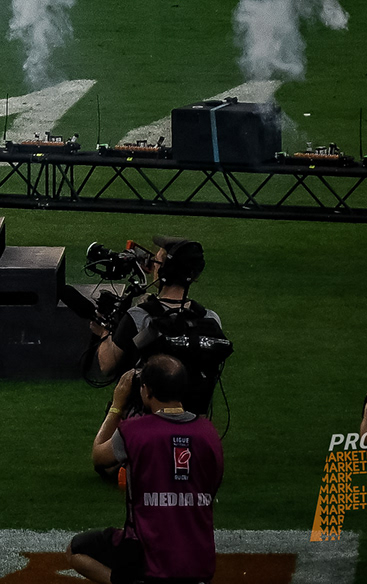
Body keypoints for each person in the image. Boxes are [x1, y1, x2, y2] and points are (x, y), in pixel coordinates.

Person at [69, 353, 220, 584]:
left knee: (76, 550)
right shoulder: (209, 433)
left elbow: (98, 456)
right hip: (198, 559)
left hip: (147, 557)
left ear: (146, 391)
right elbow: (213, 485)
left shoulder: (134, 432)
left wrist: (117, 405)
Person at [88, 241, 232, 409]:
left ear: (164, 270)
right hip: (192, 421)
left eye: (156, 262)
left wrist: (104, 332)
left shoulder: (139, 316)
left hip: (144, 421)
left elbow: (107, 365)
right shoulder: (211, 319)